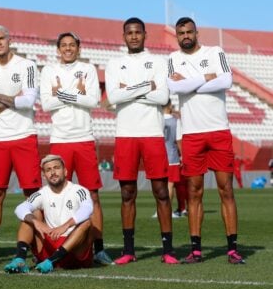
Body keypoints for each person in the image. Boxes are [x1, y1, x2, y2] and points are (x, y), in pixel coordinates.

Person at [167, 17, 245, 264]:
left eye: (189, 31)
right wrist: (206, 78)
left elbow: (227, 80)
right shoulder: (172, 59)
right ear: (177, 36)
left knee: (226, 190)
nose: (186, 35)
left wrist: (190, 83)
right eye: (181, 33)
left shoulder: (215, 52)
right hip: (191, 133)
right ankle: (196, 250)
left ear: (196, 32)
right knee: (193, 193)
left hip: (218, 130)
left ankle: (232, 249)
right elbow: (174, 87)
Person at [105, 17, 178, 265]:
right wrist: (146, 86)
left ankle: (168, 249)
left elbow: (162, 97)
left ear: (145, 35)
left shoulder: (159, 61)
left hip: (152, 134)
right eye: (129, 33)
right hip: (125, 134)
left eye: (138, 32)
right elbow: (113, 96)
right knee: (127, 193)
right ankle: (128, 250)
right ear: (123, 36)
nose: (134, 36)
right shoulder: (115, 64)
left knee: (161, 192)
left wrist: (131, 91)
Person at [39, 32, 112, 265]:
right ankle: (57, 245)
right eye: (64, 46)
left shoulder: (88, 69)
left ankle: (99, 249)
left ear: (78, 48)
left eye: (72, 45)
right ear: (58, 49)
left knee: (92, 195)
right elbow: (46, 103)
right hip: (60, 139)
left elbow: (93, 101)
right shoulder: (49, 70)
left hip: (84, 138)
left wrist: (61, 93)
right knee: (57, 195)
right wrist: (77, 94)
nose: (68, 49)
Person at [0, 24, 41, 263]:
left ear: (9, 39)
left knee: (33, 194)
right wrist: (15, 99)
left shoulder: (27, 66)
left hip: (24, 135)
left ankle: (37, 245)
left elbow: (30, 101)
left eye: (2, 38)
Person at [4, 154, 94, 274]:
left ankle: (52, 261)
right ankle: (19, 259)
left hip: (74, 248)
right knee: (29, 216)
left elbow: (87, 209)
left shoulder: (79, 191)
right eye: (48, 170)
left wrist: (65, 226)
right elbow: (20, 208)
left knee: (87, 222)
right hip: (51, 241)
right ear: (44, 175)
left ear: (65, 171)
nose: (53, 172)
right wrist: (36, 222)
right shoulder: (42, 193)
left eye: (56, 168)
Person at [152, 99, 183, 219]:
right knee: (170, 185)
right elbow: (179, 140)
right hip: (172, 157)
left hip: (157, 156)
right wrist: (183, 155)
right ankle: (167, 211)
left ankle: (158, 210)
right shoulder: (176, 121)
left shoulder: (156, 120)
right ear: (170, 105)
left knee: (158, 185)